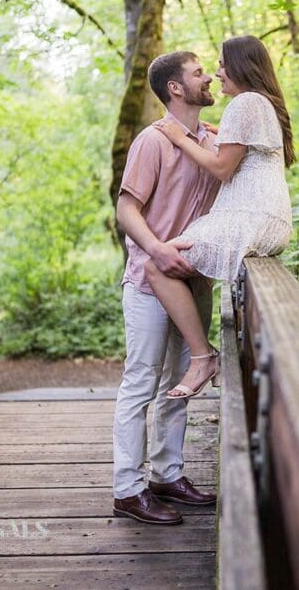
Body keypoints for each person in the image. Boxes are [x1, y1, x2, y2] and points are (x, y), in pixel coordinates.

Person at [145, 34, 295, 400]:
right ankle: (201, 355)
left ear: (241, 67)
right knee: (172, 263)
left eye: (223, 65)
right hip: (270, 217)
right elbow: (242, 156)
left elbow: (222, 168)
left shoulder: (245, 103)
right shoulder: (261, 103)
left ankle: (203, 357)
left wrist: (179, 138)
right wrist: (219, 134)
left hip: (250, 216)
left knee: (156, 264)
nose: (217, 73)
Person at [112, 50, 221, 525]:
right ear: (175, 88)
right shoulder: (152, 141)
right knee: (141, 382)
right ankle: (127, 489)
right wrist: (156, 249)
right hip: (149, 281)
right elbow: (126, 209)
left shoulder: (213, 141)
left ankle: (167, 475)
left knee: (183, 380)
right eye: (198, 73)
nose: (208, 78)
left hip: (195, 282)